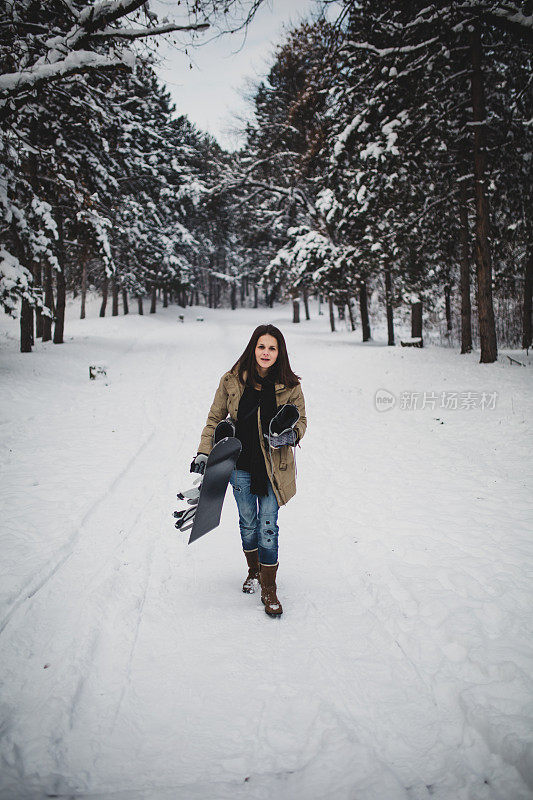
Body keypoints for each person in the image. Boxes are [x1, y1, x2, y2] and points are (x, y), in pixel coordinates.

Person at [191, 324, 307, 617]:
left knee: (268, 526)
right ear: (252, 348)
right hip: (240, 465)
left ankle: (269, 587)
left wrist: (290, 435)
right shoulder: (231, 380)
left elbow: (302, 421)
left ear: (279, 352)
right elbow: (214, 418)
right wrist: (205, 453)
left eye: (272, 348)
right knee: (248, 523)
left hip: (273, 467)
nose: (266, 353)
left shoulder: (290, 384)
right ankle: (254, 571)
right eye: (261, 346)